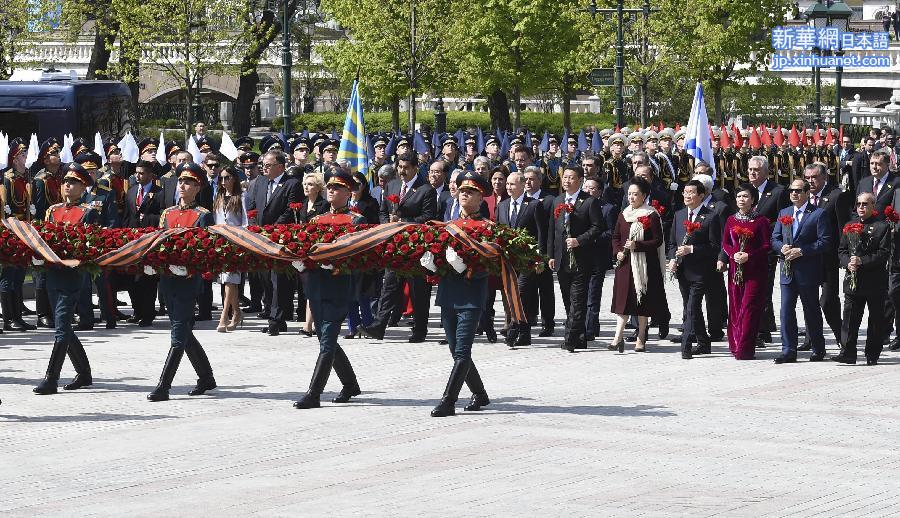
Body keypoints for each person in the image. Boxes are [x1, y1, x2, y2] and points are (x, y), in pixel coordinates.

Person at [293, 169, 365, 409]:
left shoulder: (356, 220)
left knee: (327, 339)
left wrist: (336, 263)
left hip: (339, 285)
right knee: (326, 338)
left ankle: (314, 394)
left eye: (338, 187)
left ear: (348, 192)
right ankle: (350, 385)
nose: (332, 191)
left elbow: (358, 256)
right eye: (330, 187)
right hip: (317, 285)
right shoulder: (316, 220)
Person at [147, 162, 217, 401]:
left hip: (188, 280)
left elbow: (207, 250)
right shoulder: (168, 213)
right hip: (168, 279)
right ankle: (206, 377)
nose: (183, 186)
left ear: (198, 187)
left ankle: (163, 385)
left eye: (188, 182)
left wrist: (189, 267)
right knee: (184, 331)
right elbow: (159, 242)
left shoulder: (203, 215)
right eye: (181, 181)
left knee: (178, 333)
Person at [33, 163, 99, 395]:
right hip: (53, 274)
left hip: (72, 276)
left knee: (61, 326)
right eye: (65, 182)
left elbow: (90, 246)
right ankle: (84, 373)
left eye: (73, 182)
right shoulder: (53, 210)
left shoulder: (88, 212)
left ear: (83, 187)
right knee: (64, 327)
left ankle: (51, 378)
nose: (67, 185)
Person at [431, 171, 492, 417]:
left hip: (471, 295)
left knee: (461, 352)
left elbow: (490, 263)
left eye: (471, 191)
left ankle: (449, 400)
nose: (465, 194)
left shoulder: (487, 228)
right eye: (462, 190)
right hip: (448, 293)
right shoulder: (449, 226)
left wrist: (465, 267)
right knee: (456, 350)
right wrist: (431, 264)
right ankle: (480, 394)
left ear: (481, 198)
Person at [362, 152, 437, 343]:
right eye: (399, 167)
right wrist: (387, 224)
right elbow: (382, 211)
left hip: (416, 249)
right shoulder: (392, 185)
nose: (402, 171)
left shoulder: (425, 190)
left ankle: (420, 329)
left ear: (415, 169)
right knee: (389, 287)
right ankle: (379, 326)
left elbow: (428, 217)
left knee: (417, 290)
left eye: (406, 168)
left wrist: (403, 222)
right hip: (394, 247)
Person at [771, 178, 833, 364]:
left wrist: (802, 250)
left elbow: (825, 241)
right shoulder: (784, 212)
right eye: (791, 190)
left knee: (811, 310)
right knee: (786, 311)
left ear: (807, 193)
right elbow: (774, 238)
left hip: (808, 271)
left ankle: (817, 348)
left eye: (798, 190)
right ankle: (788, 350)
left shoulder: (818, 214)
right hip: (787, 271)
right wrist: (781, 247)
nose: (794, 194)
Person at [547, 165, 604, 352]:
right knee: (567, 300)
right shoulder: (557, 200)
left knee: (578, 300)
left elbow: (597, 227)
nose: (567, 181)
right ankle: (580, 336)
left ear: (580, 181)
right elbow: (552, 231)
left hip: (582, 259)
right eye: (565, 177)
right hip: (562, 259)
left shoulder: (589, 202)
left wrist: (579, 240)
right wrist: (551, 255)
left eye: (571, 178)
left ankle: (570, 339)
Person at [832, 193, 891, 366]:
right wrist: (847, 263)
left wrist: (862, 261)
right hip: (853, 280)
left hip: (874, 281)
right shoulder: (850, 225)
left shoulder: (881, 227)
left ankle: (872, 353)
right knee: (850, 319)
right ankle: (848, 352)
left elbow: (883, 253)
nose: (861, 207)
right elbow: (842, 250)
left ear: (873, 206)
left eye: (865, 204)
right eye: (858, 204)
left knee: (875, 320)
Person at [609, 176, 666, 352]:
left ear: (644, 196)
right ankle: (618, 337)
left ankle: (641, 335)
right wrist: (618, 251)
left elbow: (657, 241)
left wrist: (638, 245)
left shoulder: (650, 215)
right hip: (625, 264)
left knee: (643, 301)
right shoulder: (624, 213)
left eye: (636, 194)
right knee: (623, 301)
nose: (631, 198)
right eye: (629, 194)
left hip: (645, 265)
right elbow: (616, 237)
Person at [667, 180, 722, 359]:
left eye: (691, 192)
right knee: (691, 307)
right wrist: (673, 259)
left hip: (701, 271)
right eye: (685, 192)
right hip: (683, 270)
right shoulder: (679, 215)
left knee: (692, 307)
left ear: (701, 195)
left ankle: (686, 345)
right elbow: (673, 243)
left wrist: (692, 249)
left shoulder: (711, 216)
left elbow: (715, 247)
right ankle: (703, 342)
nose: (687, 196)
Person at [252, 150, 302, 336]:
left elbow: (290, 210)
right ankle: (272, 314)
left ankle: (277, 319)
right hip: (261, 237)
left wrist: (273, 229)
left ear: (280, 166)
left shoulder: (291, 184)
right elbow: (255, 207)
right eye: (263, 164)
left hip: (280, 238)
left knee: (278, 281)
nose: (264, 167)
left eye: (268, 165)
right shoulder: (260, 182)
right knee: (265, 278)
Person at [719, 184, 771, 360]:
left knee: (749, 307)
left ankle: (745, 348)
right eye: (739, 196)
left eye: (746, 196)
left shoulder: (761, 221)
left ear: (753, 199)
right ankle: (734, 343)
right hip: (736, 269)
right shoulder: (731, 220)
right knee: (735, 307)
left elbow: (766, 246)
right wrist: (734, 254)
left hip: (755, 271)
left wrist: (749, 255)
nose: (742, 199)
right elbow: (725, 243)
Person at [496, 170, 545, 347]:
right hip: (508, 260)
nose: (508, 187)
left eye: (512, 184)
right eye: (507, 184)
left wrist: (539, 257)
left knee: (521, 293)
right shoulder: (502, 205)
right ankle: (525, 334)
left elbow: (541, 233)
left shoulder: (533, 205)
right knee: (513, 295)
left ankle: (513, 329)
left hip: (527, 260)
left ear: (523, 185)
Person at [122, 160, 164, 327]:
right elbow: (127, 216)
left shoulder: (159, 193)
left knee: (148, 279)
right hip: (133, 240)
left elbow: (162, 215)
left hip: (150, 241)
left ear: (150, 175)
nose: (138, 176)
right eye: (136, 173)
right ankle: (137, 311)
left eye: (141, 173)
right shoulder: (132, 191)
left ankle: (148, 314)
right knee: (133, 279)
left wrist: (147, 219)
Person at [1, 137, 36, 332]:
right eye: (23, 154)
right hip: (11, 231)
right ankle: (9, 319)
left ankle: (17, 316)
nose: (26, 157)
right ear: (15, 159)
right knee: (9, 276)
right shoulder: (7, 180)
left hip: (24, 231)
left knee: (19, 277)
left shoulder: (25, 179)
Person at [583, 177, 619, 342]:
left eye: (591, 188)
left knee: (593, 293)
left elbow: (612, 232)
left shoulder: (608, 209)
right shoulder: (579, 205)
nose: (587, 190)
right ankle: (584, 324)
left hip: (598, 256)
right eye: (586, 187)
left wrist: (591, 238)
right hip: (581, 255)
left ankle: (590, 328)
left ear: (599, 191)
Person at [345, 171, 380, 339]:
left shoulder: (370, 203)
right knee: (349, 292)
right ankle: (352, 327)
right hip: (346, 251)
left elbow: (374, 225)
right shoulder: (344, 202)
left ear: (364, 186)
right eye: (351, 184)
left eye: (357, 184)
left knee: (362, 293)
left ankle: (366, 325)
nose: (354, 188)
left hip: (363, 252)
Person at [213, 166, 248, 333]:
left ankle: (224, 315)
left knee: (230, 279)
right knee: (228, 280)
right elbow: (217, 219)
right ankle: (237, 313)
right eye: (222, 178)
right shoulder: (219, 196)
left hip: (235, 242)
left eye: (227, 178)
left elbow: (246, 222)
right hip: (221, 241)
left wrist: (241, 239)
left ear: (234, 178)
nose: (224, 181)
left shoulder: (241, 197)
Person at [296, 172, 327, 336]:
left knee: (315, 287)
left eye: (310, 184)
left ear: (318, 188)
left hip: (318, 250)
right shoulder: (303, 204)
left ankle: (310, 325)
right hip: (305, 250)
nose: (306, 187)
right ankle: (310, 324)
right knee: (309, 287)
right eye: (305, 184)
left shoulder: (324, 205)